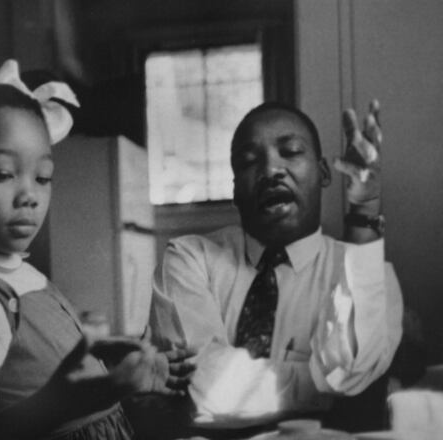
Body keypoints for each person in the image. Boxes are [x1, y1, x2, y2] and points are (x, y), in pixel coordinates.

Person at [0, 48, 193, 440]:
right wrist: (61, 403)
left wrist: (107, 366)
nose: (29, 196)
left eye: (43, 177)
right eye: (3, 173)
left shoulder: (14, 271)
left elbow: (28, 368)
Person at [148, 101, 404, 433]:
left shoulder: (366, 271)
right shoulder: (189, 258)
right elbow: (206, 387)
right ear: (235, 190)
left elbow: (351, 365)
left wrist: (363, 212)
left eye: (291, 151)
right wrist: (325, 382)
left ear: (324, 173)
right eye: (249, 161)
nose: (271, 170)